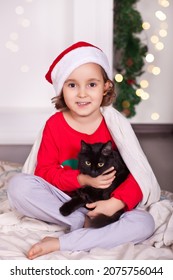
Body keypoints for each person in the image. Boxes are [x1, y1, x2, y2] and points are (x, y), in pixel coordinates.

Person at [7, 41, 160, 259]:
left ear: (106, 86)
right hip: (68, 201)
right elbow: (44, 172)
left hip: (108, 204)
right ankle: (81, 222)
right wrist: (83, 180)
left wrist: (114, 203)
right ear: (61, 88)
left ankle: (62, 242)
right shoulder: (55, 125)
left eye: (91, 84)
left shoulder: (115, 124)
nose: (82, 94)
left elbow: (138, 173)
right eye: (72, 85)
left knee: (144, 223)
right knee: (18, 186)